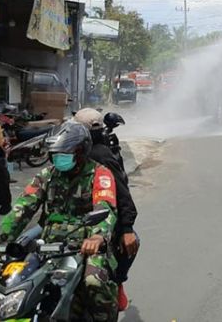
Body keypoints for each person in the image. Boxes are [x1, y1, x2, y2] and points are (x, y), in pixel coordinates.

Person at [0, 121, 119, 321]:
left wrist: (97, 236)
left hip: (85, 244)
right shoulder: (46, 175)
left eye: (65, 153)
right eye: (56, 154)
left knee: (93, 282)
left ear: (80, 152)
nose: (59, 158)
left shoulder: (100, 174)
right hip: (47, 243)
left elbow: (105, 208)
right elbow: (23, 207)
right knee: (11, 279)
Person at [74, 108, 139, 312]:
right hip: (68, 223)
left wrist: (125, 227)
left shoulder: (100, 156)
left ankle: (115, 286)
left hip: (93, 221)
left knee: (96, 281)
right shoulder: (73, 156)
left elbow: (113, 197)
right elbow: (30, 201)